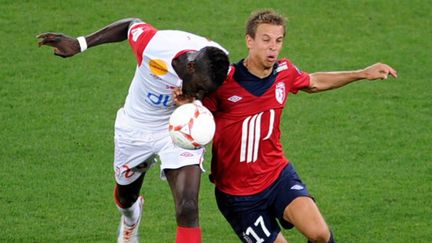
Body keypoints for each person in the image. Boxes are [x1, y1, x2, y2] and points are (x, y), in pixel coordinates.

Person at [203, 9, 397, 243]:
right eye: (265, 40)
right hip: (238, 197)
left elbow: (314, 81)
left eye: (278, 41)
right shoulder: (225, 83)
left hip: (277, 176)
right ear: (249, 40)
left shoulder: (285, 72)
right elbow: (194, 116)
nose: (272, 47)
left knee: (321, 235)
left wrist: (362, 73)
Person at [37, 18, 229, 243]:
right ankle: (130, 219)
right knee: (126, 197)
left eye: (204, 92)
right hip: (136, 127)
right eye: (198, 88)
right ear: (190, 66)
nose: (198, 95)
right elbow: (130, 25)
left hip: (183, 128)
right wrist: (80, 43)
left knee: (188, 206)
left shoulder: (220, 66)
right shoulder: (156, 46)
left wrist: (192, 105)